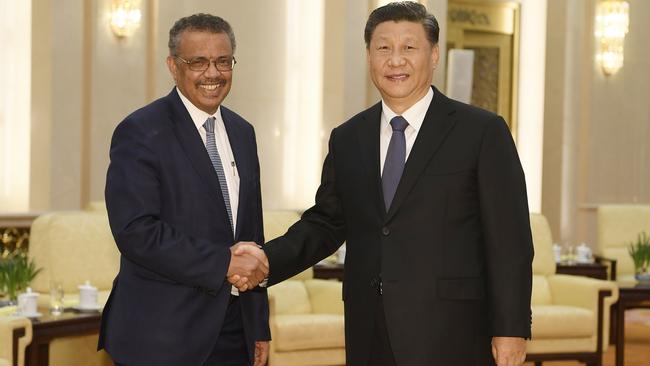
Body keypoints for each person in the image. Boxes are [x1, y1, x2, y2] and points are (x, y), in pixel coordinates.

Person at [234, 2, 533, 365]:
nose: (396, 60)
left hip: (453, 333)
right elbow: (326, 222)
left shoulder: (482, 132)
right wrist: (267, 261)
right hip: (369, 329)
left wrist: (511, 328)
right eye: (384, 48)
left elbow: (510, 241)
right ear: (368, 56)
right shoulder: (348, 138)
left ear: (434, 54)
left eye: (409, 47)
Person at [99, 13, 270, 366]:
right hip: (161, 336)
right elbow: (136, 232)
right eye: (198, 62)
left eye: (223, 61)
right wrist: (224, 261)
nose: (213, 73)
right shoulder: (140, 131)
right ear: (173, 66)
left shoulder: (243, 132)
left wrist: (258, 325)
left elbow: (251, 234)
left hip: (233, 333)